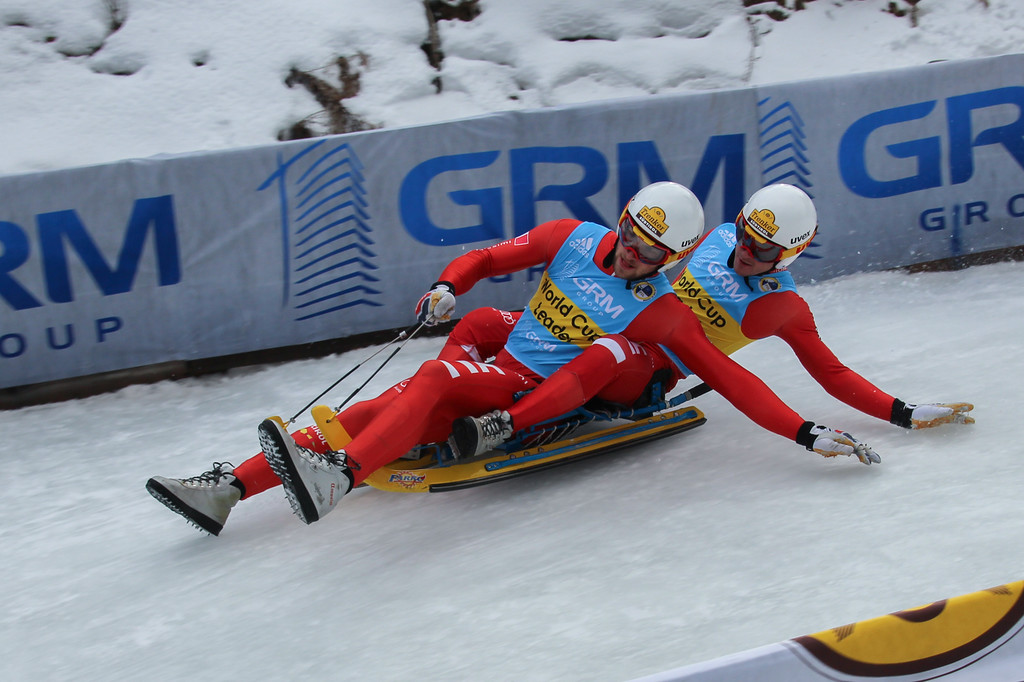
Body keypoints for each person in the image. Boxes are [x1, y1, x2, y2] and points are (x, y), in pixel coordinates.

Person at [147, 181, 878, 535]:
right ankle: (227, 490)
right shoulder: (570, 236)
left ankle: (342, 476)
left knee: (431, 381)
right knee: (371, 406)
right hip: (500, 363)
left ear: (672, 258)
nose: (630, 253)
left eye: (648, 251)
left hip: (533, 388)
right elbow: (493, 255)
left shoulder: (660, 312)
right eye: (628, 235)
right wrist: (445, 286)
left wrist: (804, 432)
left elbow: (731, 377)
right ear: (620, 222)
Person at [447, 183, 974, 459]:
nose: (744, 252)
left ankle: (511, 423)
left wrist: (898, 413)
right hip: (596, 319)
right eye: (745, 234)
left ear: (788, 257)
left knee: (607, 354)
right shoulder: (716, 235)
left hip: (644, 365)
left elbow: (828, 373)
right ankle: (444, 396)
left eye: (763, 250)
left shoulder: (782, 308)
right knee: (484, 322)